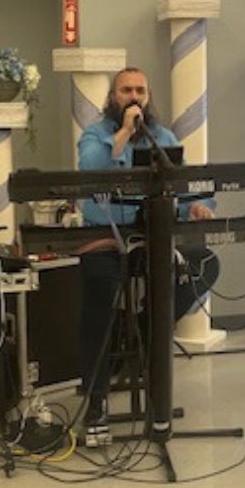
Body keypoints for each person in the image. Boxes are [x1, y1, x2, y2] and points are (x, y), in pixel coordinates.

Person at [76, 67, 218, 440]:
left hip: (153, 240)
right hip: (106, 240)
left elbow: (184, 184)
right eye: (126, 90)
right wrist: (123, 133)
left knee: (205, 264)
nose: (134, 96)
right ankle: (96, 401)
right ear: (113, 97)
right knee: (99, 294)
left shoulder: (163, 137)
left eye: (140, 89)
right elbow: (91, 170)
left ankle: (139, 336)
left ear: (149, 96)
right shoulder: (96, 135)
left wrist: (198, 205)